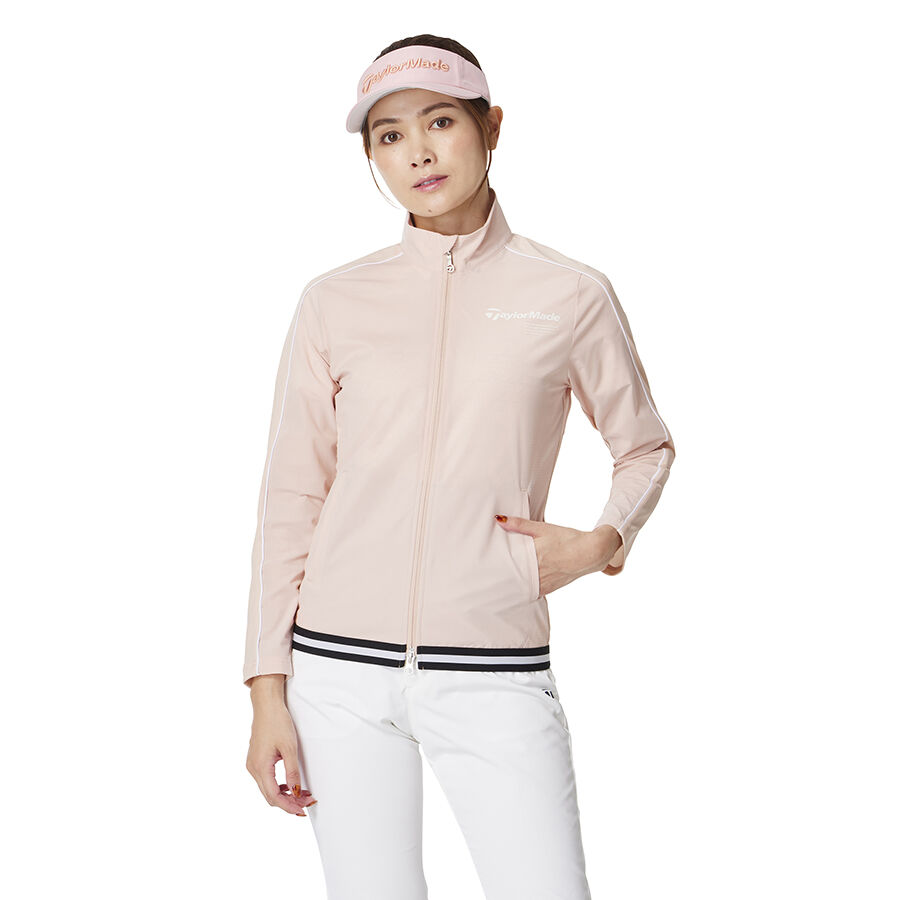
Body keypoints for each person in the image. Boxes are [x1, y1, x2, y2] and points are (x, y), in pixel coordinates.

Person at [243, 33, 676, 900]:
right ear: (373, 157)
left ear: (491, 127)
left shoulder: (569, 293)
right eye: (390, 135)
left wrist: (602, 542)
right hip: (336, 674)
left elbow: (645, 447)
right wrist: (266, 692)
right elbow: (291, 494)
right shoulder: (333, 300)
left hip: (492, 666)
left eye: (440, 121)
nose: (419, 152)